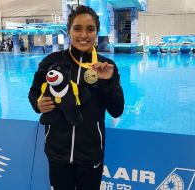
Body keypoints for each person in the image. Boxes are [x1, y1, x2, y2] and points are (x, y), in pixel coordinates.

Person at [28, 5, 124, 190]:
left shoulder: (106, 66)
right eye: (77, 28)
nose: (83, 35)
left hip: (90, 154)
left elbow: (117, 109)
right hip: (57, 152)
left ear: (97, 32)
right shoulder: (52, 61)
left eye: (90, 29)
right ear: (69, 31)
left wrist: (108, 82)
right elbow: (34, 92)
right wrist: (37, 104)